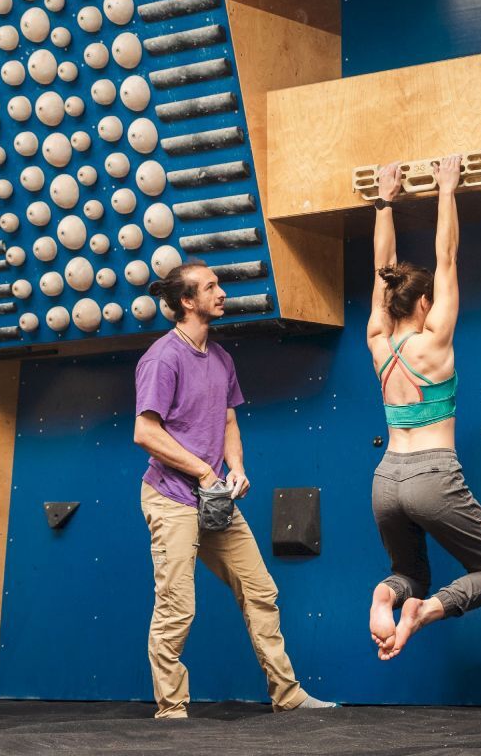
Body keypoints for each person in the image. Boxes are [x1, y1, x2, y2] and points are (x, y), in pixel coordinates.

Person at [134, 261, 335, 717]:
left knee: (260, 591)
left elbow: (227, 420)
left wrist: (235, 467)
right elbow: (145, 432)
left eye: (219, 284)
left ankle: (288, 695)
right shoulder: (164, 357)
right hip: (171, 497)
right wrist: (204, 473)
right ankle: (171, 708)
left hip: (215, 500)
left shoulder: (221, 359)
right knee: (177, 606)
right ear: (187, 302)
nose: (221, 292)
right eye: (211, 287)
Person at [366, 155, 481, 660]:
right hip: (433, 475)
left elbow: (379, 269)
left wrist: (385, 199)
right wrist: (446, 189)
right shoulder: (435, 343)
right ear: (424, 303)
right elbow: (446, 258)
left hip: (386, 479)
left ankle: (387, 596)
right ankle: (425, 611)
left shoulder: (377, 341)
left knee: (407, 574)